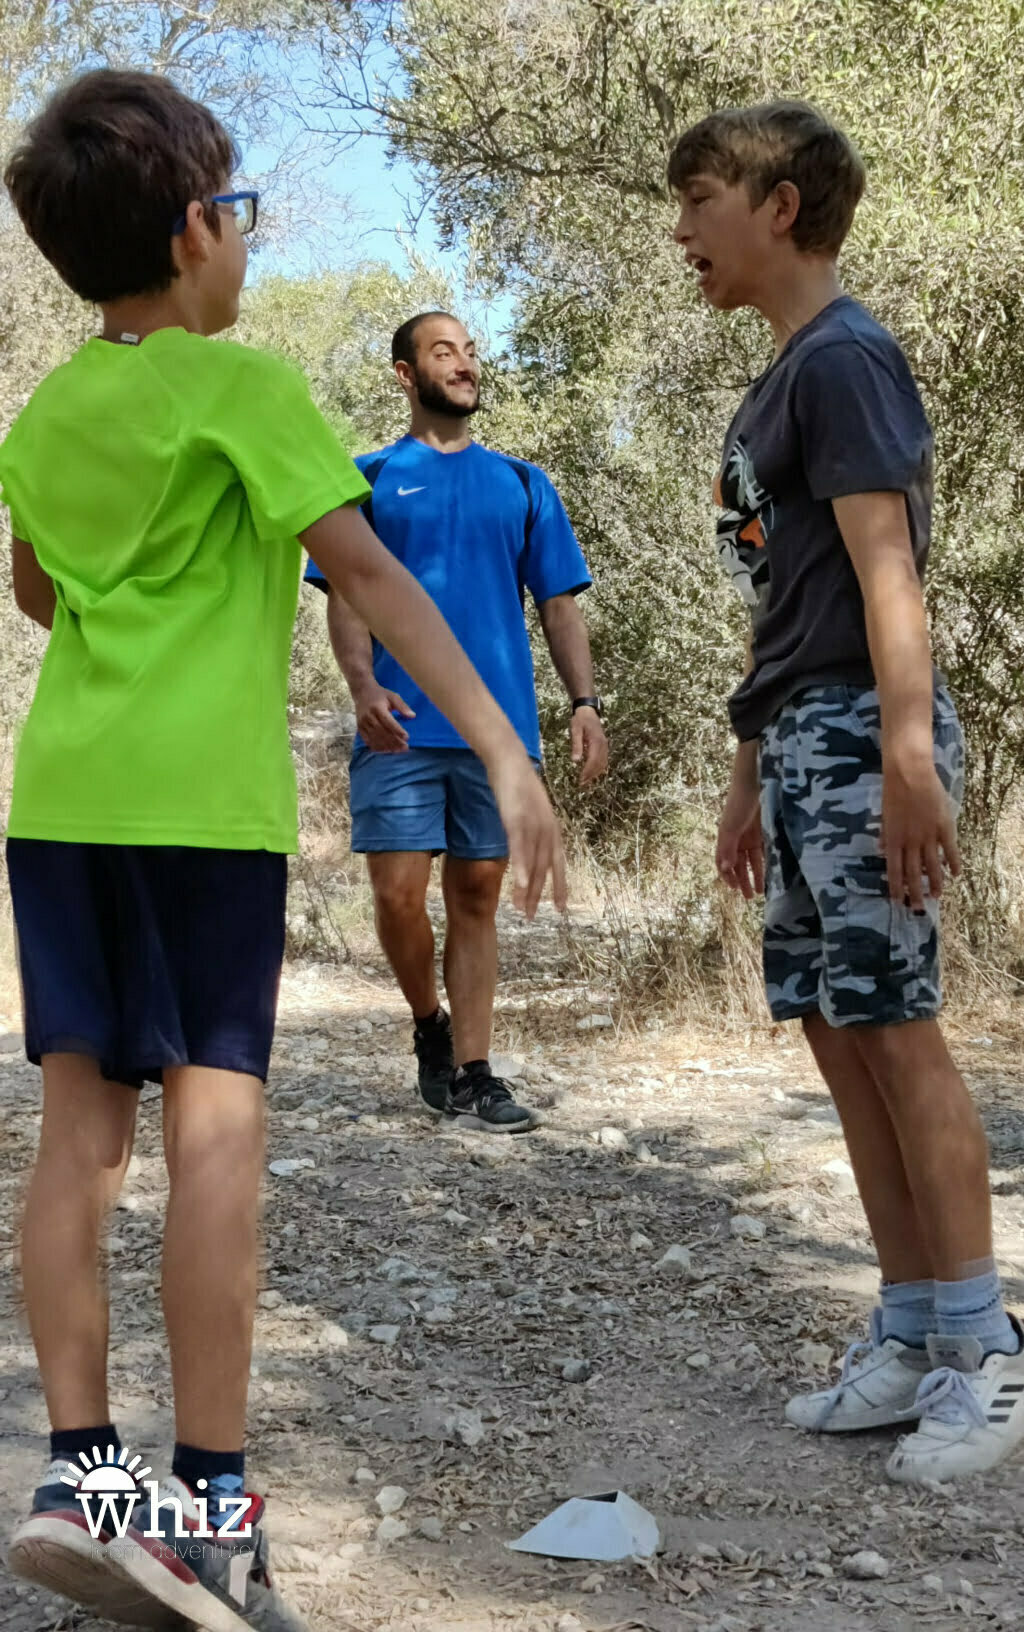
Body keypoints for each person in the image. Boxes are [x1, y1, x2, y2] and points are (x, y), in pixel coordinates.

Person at [0, 70, 564, 1631]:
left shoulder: (43, 415)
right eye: (238, 213)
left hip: (65, 804)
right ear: (194, 232)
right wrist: (501, 747)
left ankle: (81, 1479)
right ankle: (212, 1518)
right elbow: (368, 576)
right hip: (201, 813)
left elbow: (38, 594)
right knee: (215, 1137)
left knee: (77, 1137)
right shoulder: (242, 392)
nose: (244, 241)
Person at [668, 101, 1024, 1481]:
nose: (681, 229)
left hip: (860, 733)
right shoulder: (776, 384)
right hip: (799, 735)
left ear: (779, 206)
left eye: (700, 199)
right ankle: (908, 1328)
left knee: (897, 1030)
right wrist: (745, 772)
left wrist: (906, 757)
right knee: (839, 1033)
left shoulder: (845, 359)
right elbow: (782, 603)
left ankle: (988, 1347)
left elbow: (889, 571)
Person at [305, 312, 607, 1133]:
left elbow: (558, 605)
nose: (466, 364)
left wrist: (584, 703)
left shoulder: (523, 483)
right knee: (398, 894)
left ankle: (475, 1072)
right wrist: (362, 685)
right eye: (445, 353)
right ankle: (428, 1023)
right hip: (398, 726)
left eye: (470, 352)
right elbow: (348, 596)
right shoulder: (365, 479)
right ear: (406, 374)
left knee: (476, 896)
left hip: (497, 735)